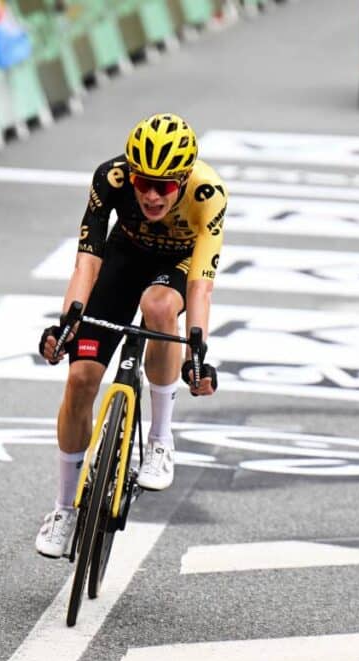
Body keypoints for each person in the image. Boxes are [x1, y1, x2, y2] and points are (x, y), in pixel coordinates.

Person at [34, 113, 226, 558]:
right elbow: (87, 261)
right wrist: (67, 323)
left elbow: (201, 285)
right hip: (124, 258)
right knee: (80, 379)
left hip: (176, 266)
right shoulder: (111, 178)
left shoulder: (208, 193)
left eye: (165, 186)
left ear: (183, 179)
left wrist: (197, 349)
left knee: (158, 307)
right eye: (143, 182)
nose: (152, 194)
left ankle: (160, 439)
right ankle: (64, 509)